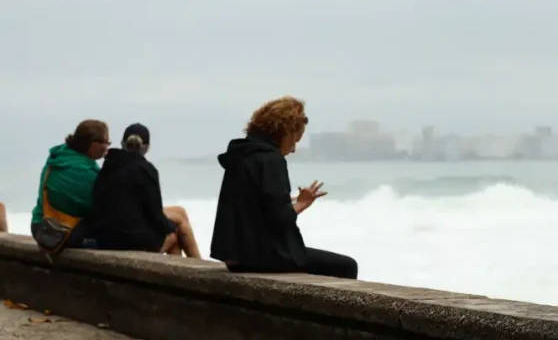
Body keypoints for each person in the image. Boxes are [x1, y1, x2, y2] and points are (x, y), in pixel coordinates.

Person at [210, 96, 358, 279]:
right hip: (260, 256)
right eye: (295, 140)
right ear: (285, 132)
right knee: (347, 266)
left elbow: (252, 205)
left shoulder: (242, 154)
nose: (294, 149)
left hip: (235, 256)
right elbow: (280, 219)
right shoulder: (271, 160)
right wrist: (303, 203)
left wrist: (285, 199)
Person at [89, 123, 201, 257]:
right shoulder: (145, 170)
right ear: (147, 147)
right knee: (176, 232)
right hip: (129, 240)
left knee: (179, 211)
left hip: (107, 235)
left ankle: (186, 270)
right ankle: (199, 265)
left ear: (122, 144)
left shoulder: (107, 167)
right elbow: (155, 215)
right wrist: (171, 227)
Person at [30, 120, 110, 250]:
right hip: (60, 232)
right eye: (106, 143)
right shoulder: (85, 173)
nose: (107, 148)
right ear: (94, 145)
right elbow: (98, 208)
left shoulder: (57, 158)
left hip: (39, 225)